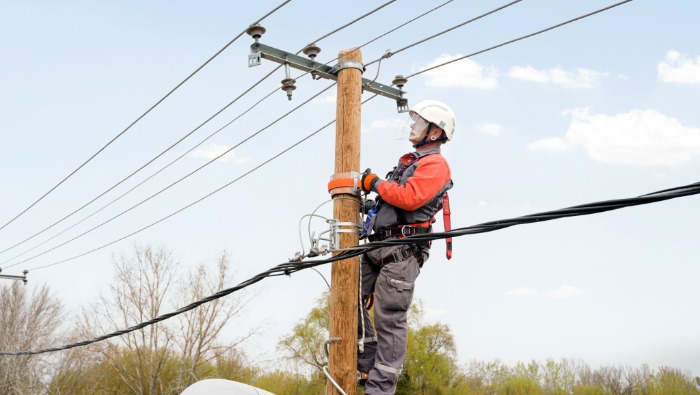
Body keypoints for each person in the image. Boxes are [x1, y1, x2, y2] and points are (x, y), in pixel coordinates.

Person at [357, 100, 455, 394]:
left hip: (401, 252)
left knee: (389, 318)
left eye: (420, 122)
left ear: (435, 132)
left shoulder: (435, 165)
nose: (413, 126)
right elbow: (394, 200)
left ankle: (380, 387)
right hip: (378, 246)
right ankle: (366, 361)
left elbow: (410, 198)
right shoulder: (410, 163)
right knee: (345, 296)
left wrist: (374, 183)